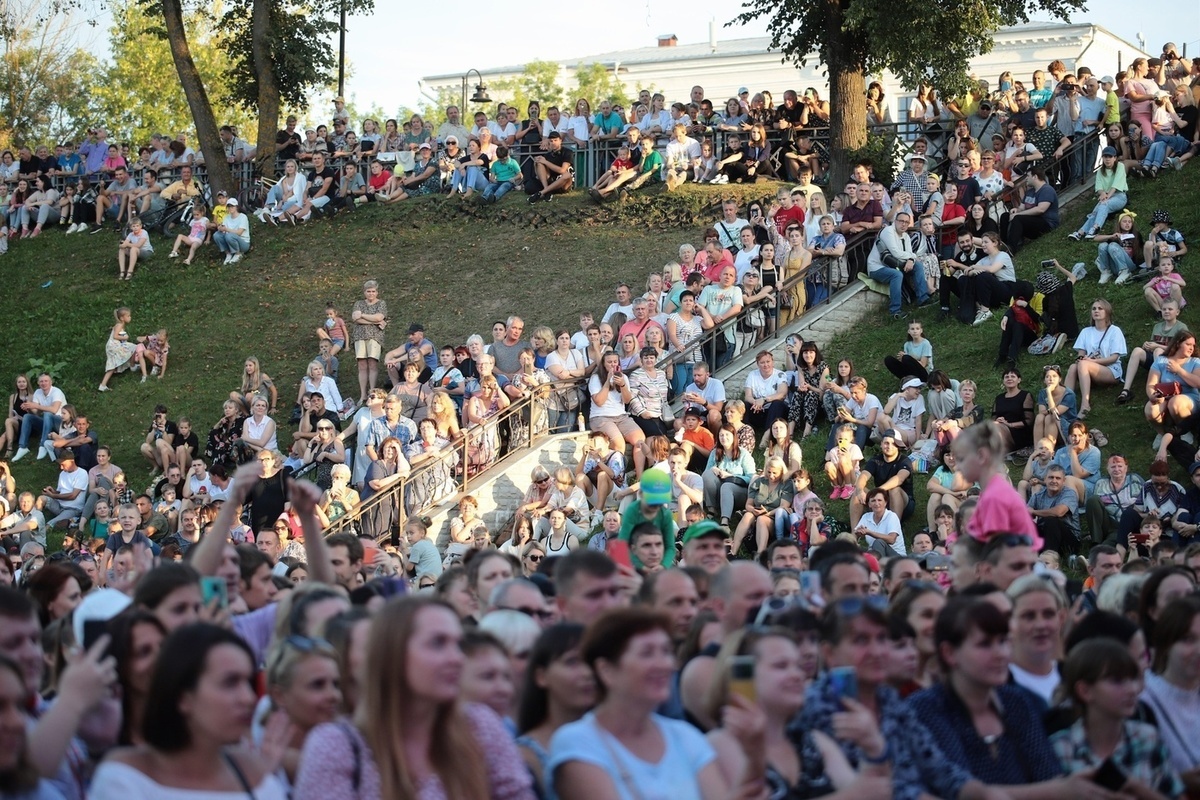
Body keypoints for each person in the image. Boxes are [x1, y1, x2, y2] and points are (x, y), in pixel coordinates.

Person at [295, 597, 534, 799]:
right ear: (392, 653)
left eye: (458, 644)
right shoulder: (336, 746)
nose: (457, 658)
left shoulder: (480, 726)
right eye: (438, 643)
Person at [548, 606, 762, 799]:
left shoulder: (684, 737)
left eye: (666, 651)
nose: (664, 664)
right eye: (647, 653)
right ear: (606, 670)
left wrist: (753, 754)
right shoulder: (578, 743)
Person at [90, 622, 286, 798]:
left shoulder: (257, 775)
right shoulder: (124, 778)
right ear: (183, 696)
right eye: (230, 683)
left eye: (248, 682)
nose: (248, 698)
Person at [706, 627, 890, 799]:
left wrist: (873, 744)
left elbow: (872, 790)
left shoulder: (814, 742)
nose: (797, 675)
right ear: (742, 676)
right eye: (781, 666)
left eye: (799, 666)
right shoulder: (720, 744)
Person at [1050, 637, 1185, 798]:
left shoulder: (1147, 738)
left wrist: (1137, 788)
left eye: (1133, 679)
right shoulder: (1061, 747)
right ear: (1085, 691)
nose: (1132, 689)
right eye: (1117, 681)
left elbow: (1175, 794)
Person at [515, 623, 596, 799]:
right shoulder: (526, 756)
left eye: (591, 661)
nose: (587, 673)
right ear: (541, 676)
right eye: (572, 662)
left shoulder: (613, 737)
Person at [1065, 298, 1127, 419]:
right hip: (1090, 367)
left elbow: (1114, 358)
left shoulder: (1115, 331)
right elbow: (1080, 355)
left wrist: (1092, 361)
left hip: (1110, 370)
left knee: (1083, 365)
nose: (1096, 311)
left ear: (1107, 312)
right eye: (1094, 308)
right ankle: (1065, 403)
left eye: (1100, 308)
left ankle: (1085, 405)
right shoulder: (1086, 331)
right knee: (1073, 367)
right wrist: (1083, 359)